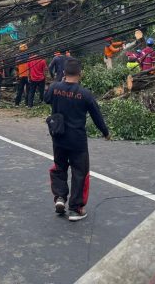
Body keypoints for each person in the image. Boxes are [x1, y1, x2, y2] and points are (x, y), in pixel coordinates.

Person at [44, 58, 110, 222]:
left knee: (59, 168)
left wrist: (59, 82)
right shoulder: (85, 94)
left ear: (64, 73)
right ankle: (75, 208)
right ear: (80, 74)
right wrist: (105, 132)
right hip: (77, 141)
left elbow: (46, 98)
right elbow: (97, 115)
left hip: (58, 137)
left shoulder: (55, 87)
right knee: (79, 173)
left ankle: (60, 198)